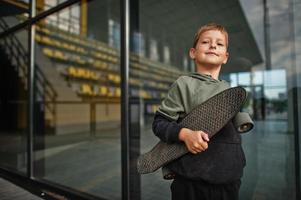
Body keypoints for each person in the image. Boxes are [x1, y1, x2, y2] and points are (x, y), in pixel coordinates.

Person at [152, 23, 246, 200]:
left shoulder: (228, 89)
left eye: (219, 44)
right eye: (205, 42)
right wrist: (185, 134)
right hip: (192, 179)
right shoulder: (184, 84)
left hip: (229, 177)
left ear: (225, 57)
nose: (212, 45)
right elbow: (159, 123)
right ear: (193, 53)